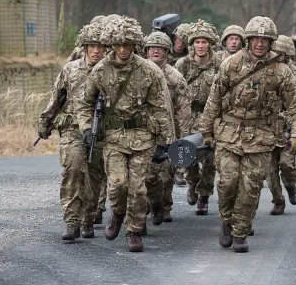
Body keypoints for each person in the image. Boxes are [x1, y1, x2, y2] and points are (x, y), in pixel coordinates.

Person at [200, 16, 296, 253]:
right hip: (229, 133)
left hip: (261, 137)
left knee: (250, 187)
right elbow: (214, 99)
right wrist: (206, 132)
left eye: (265, 40)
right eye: (256, 39)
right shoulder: (231, 64)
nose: (260, 44)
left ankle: (240, 231)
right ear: (248, 40)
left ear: (271, 42)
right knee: (227, 182)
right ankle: (226, 222)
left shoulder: (281, 70)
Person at [76, 16, 174, 252]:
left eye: (127, 45)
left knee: (138, 187)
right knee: (117, 185)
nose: (122, 50)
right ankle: (118, 213)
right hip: (114, 137)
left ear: (134, 45)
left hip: (143, 137)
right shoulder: (100, 70)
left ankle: (134, 230)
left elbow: (162, 107)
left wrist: (166, 142)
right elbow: (84, 103)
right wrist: (87, 128)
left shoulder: (149, 71)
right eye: (118, 45)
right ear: (111, 45)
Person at [39, 21, 108, 242]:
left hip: (100, 130)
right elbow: (56, 97)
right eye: (91, 46)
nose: (96, 50)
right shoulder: (71, 69)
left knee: (95, 175)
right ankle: (72, 221)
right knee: (73, 169)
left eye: (100, 46)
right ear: (84, 47)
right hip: (72, 129)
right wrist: (45, 121)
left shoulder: (109, 71)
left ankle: (89, 217)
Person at [143, 32, 192, 224]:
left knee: (165, 174)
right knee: (144, 174)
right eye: (152, 48)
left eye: (160, 48)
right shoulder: (138, 72)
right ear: (146, 51)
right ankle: (146, 207)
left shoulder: (175, 77)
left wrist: (182, 138)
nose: (156, 51)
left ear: (167, 52)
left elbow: (183, 109)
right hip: (142, 132)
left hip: (167, 132)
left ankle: (164, 205)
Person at [175, 20, 223, 215]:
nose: (201, 46)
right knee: (189, 156)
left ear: (210, 44)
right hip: (188, 115)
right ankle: (192, 183)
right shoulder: (183, 64)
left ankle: (204, 194)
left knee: (211, 158)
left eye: (204, 42)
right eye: (197, 42)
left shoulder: (220, 64)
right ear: (191, 44)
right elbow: (175, 91)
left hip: (212, 117)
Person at [266, 35, 296, 215]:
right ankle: (278, 200)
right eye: (276, 52)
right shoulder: (264, 72)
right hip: (267, 128)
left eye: (282, 53)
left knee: (287, 164)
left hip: (288, 128)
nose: (279, 56)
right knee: (269, 170)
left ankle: (291, 185)